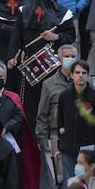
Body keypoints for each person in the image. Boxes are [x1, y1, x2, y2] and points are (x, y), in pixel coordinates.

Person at [56, 60, 95, 180]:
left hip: (87, 149)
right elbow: (60, 123)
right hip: (68, 148)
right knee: (71, 185)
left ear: (88, 75)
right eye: (77, 72)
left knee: (87, 184)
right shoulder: (64, 96)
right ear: (71, 75)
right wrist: (60, 145)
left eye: (84, 73)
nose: (80, 75)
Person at [35, 43, 80, 178]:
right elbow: (42, 113)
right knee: (61, 177)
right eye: (67, 56)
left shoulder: (82, 82)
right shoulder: (49, 84)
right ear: (59, 59)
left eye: (73, 56)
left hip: (79, 135)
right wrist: (42, 138)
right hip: (57, 135)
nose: (70, 59)